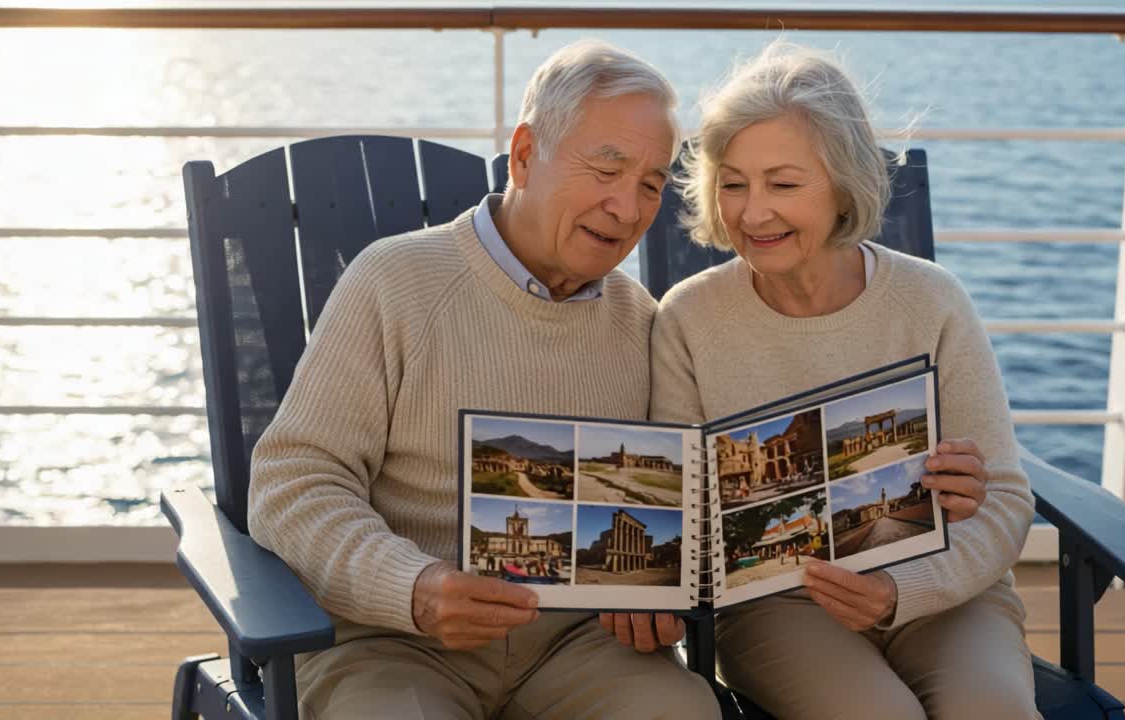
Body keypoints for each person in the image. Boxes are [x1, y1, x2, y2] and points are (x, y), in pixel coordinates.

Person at [248, 40, 721, 720]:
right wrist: (414, 586)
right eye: (606, 169)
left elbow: (677, 503)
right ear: (525, 154)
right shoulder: (395, 282)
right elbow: (293, 481)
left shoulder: (644, 323)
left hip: (578, 650)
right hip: (390, 644)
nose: (626, 208)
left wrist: (661, 591)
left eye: (650, 183)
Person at [633, 41, 1039, 718]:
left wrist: (907, 587)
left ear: (844, 183)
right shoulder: (689, 320)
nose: (753, 212)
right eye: (733, 183)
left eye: (784, 184)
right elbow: (674, 517)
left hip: (943, 589)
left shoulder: (932, 301)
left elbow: (1002, 500)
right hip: (780, 605)